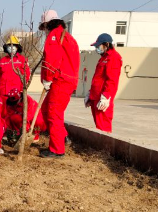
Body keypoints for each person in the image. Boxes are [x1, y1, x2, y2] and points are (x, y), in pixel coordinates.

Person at [38, 10, 80, 158]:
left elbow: (52, 59)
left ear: (47, 24)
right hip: (67, 80)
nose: (44, 31)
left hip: (60, 80)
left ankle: (57, 150)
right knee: (45, 110)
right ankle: (62, 136)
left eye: (44, 27)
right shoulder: (67, 36)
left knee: (54, 114)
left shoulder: (54, 35)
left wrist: (48, 78)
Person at [85, 33, 123, 133]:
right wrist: (90, 94)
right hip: (96, 97)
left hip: (102, 98)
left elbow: (112, 80)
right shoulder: (103, 58)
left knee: (103, 128)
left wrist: (106, 96)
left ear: (106, 44)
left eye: (98, 46)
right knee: (98, 127)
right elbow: (98, 78)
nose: (97, 48)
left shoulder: (113, 58)